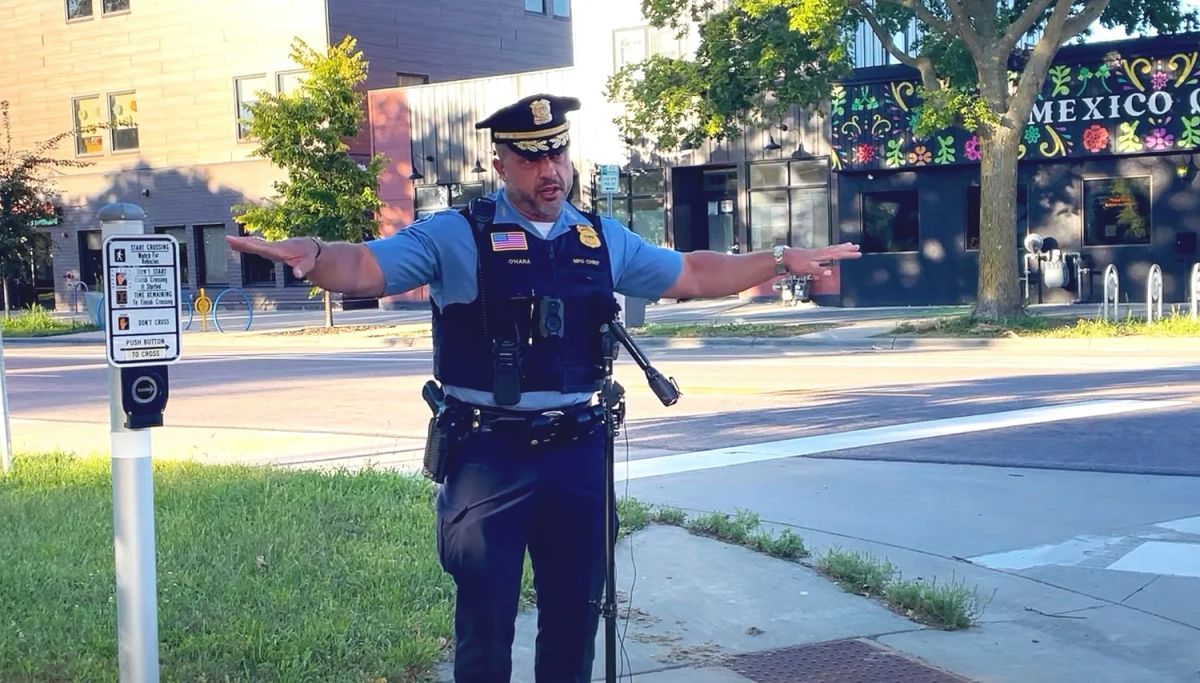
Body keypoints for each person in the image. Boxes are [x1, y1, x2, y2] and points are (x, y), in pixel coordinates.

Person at [227, 93, 861, 683]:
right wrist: (315, 253)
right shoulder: (457, 233)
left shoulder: (600, 236)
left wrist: (779, 260)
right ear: (501, 162)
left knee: (574, 616)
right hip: (487, 456)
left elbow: (691, 272)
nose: (548, 170)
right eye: (531, 158)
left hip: (578, 451)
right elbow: (368, 266)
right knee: (486, 621)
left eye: (557, 152)